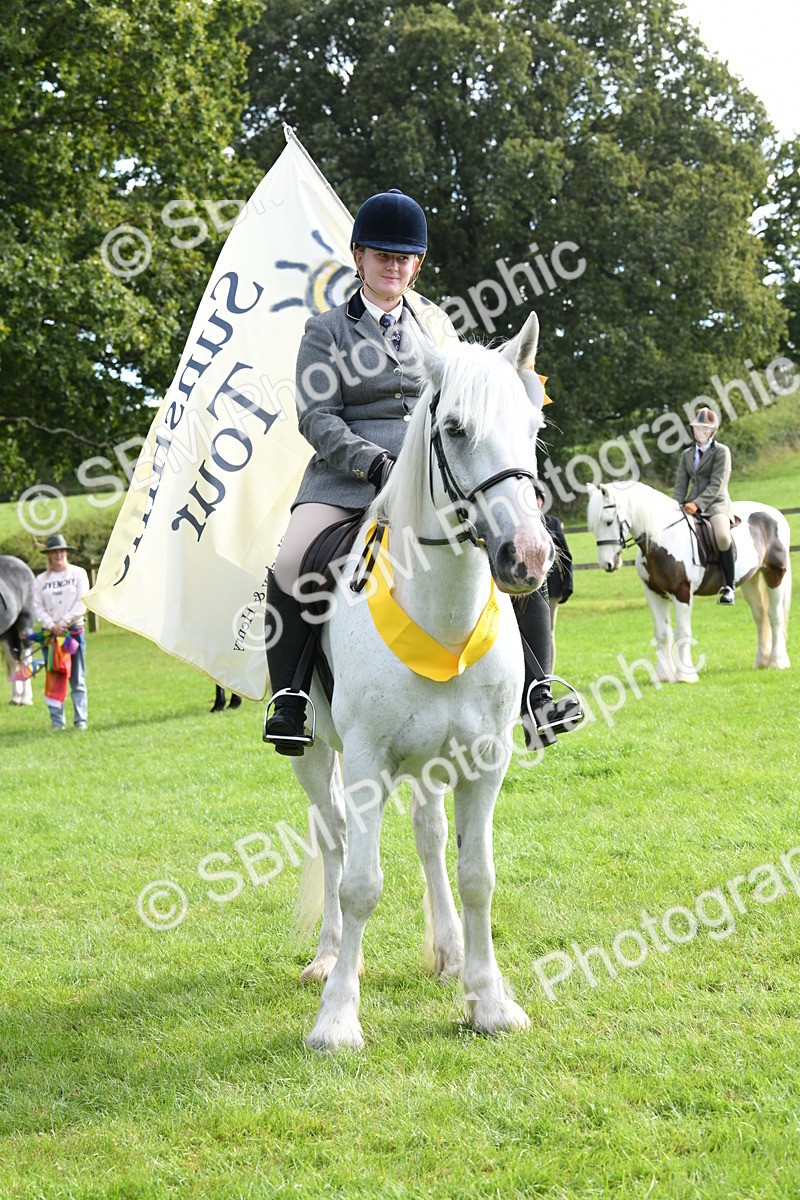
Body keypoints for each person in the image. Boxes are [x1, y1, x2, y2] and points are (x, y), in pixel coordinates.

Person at [262, 187, 579, 755]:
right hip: (347, 477)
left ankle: (536, 689)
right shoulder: (325, 332)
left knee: (529, 538)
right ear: (358, 257)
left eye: (404, 257)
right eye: (382, 254)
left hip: (439, 474)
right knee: (291, 561)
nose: (393, 265)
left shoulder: (438, 328)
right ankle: (291, 699)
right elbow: (316, 416)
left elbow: (470, 401)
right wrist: (372, 461)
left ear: (418, 264)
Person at [673, 406, 735, 604]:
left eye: (704, 429)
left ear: (712, 431)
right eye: (696, 428)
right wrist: (675, 505)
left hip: (716, 504)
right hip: (690, 504)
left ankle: (729, 586)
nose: (699, 432)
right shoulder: (686, 455)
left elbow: (717, 484)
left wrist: (697, 504)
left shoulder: (722, 452)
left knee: (723, 537)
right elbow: (681, 485)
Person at [33, 533, 90, 729]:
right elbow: (37, 607)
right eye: (54, 551)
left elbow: (82, 602)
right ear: (48, 555)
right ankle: (57, 722)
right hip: (50, 636)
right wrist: (52, 626)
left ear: (66, 552)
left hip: (72, 633)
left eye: (61, 550)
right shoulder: (40, 580)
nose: (58, 554)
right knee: (54, 677)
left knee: (77, 676)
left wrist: (63, 623)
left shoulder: (78, 574)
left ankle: (80, 720)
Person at [533, 481, 574, 671]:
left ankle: (547, 675)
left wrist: (568, 585)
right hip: (526, 588)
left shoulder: (553, 523)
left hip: (552, 588)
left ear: (541, 501)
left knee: (547, 633)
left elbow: (566, 556)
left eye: (536, 497)